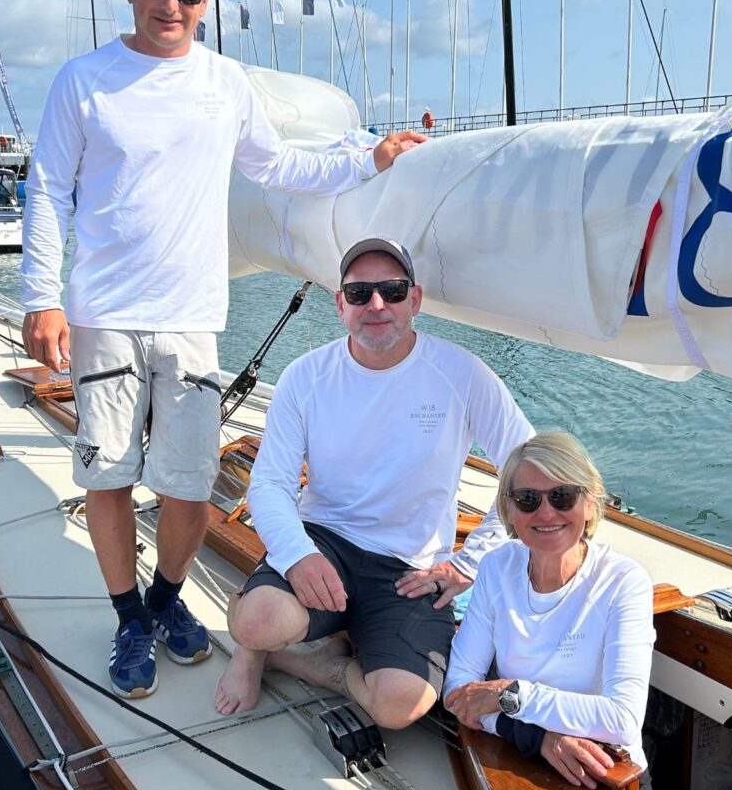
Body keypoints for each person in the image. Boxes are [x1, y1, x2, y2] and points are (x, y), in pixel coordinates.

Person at [20, 0, 431, 699]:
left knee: (187, 484)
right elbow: (46, 191)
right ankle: (128, 618)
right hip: (104, 313)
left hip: (191, 316)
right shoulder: (84, 80)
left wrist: (368, 159)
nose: (170, 4)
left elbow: (279, 166)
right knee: (109, 478)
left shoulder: (223, 83)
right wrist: (42, 297)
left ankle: (164, 600)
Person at [213, 238, 532, 728]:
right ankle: (252, 652)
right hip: (325, 541)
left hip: (411, 567)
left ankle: (314, 664)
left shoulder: (462, 375)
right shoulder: (306, 376)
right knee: (256, 621)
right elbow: (271, 482)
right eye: (359, 293)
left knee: (401, 705)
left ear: (415, 299)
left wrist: (469, 563)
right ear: (340, 304)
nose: (376, 304)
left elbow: (528, 468)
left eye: (393, 290)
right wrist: (298, 556)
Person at [444, 432, 673, 790]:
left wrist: (509, 695)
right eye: (528, 499)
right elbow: (457, 692)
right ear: (508, 509)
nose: (546, 513)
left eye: (562, 496)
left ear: (589, 503)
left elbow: (621, 719)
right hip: (520, 762)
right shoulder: (497, 568)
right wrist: (541, 737)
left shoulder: (623, 583)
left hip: (610, 775)